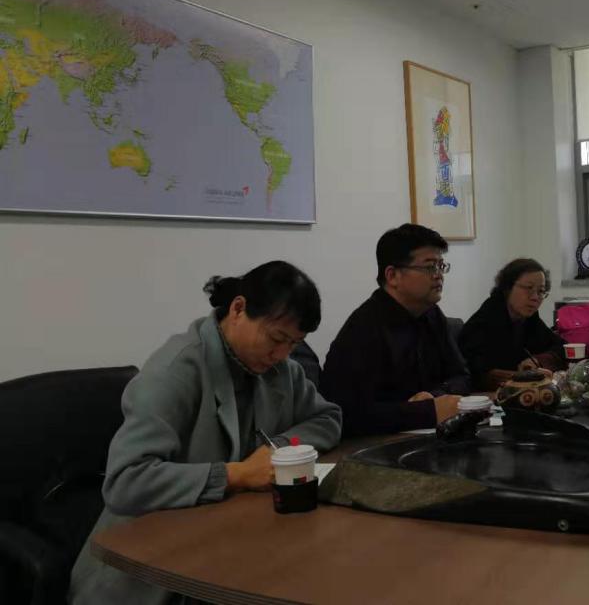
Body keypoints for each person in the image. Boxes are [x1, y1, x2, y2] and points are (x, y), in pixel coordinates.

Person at [70, 261, 342, 605]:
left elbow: (327, 418)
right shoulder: (175, 371)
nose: (282, 355)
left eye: (294, 343)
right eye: (276, 338)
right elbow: (125, 482)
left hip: (231, 542)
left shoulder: (280, 369)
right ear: (238, 309)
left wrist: (280, 448)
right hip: (150, 570)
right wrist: (236, 474)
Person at [319, 223, 470, 436]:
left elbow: (462, 376)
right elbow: (348, 413)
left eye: (441, 266)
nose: (439, 275)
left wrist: (435, 395)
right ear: (392, 276)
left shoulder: (432, 314)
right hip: (377, 444)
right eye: (429, 267)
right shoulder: (364, 328)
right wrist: (426, 411)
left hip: (428, 435)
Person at [458, 258, 565, 390]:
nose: (535, 297)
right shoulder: (486, 319)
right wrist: (522, 376)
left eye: (541, 291)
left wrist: (538, 360)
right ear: (507, 287)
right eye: (529, 288)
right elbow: (475, 373)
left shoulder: (529, 318)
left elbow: (562, 347)